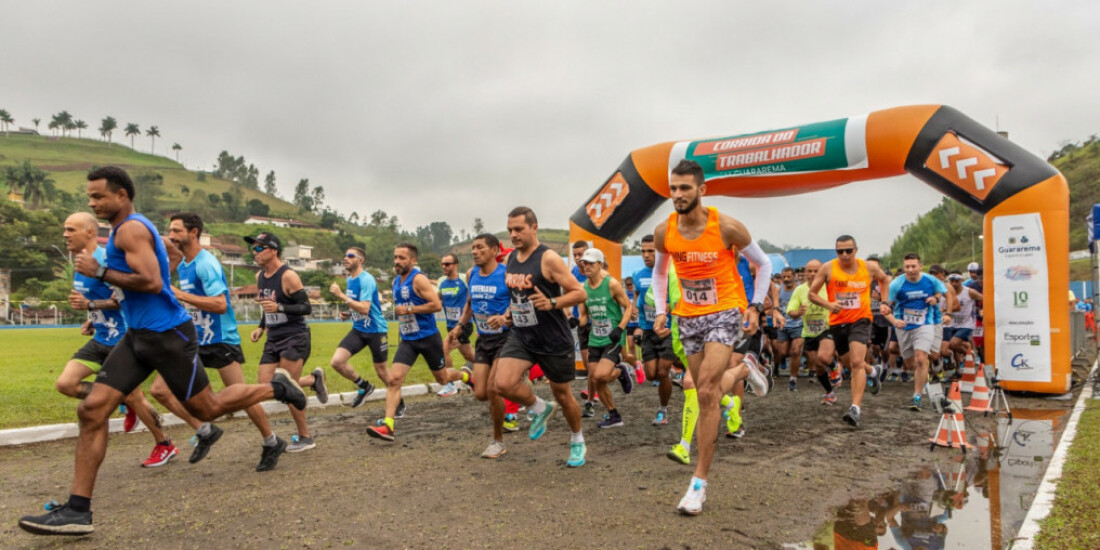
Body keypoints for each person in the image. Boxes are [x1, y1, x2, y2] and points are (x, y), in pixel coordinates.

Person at [19, 166, 305, 536]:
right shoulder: (126, 231)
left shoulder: (132, 228)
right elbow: (156, 267)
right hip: (138, 336)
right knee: (92, 409)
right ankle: (77, 510)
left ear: (122, 195)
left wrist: (100, 272)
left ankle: (279, 388)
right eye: (90, 196)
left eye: (98, 196)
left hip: (167, 335)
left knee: (210, 408)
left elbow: (152, 282)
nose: (93, 202)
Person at [651, 159, 772, 515]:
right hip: (689, 317)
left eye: (685, 188)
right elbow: (660, 275)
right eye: (673, 188)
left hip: (725, 311)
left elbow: (763, 264)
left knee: (704, 388)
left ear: (702, 190)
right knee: (707, 392)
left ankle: (698, 484)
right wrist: (661, 309)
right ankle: (744, 370)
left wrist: (756, 306)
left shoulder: (727, 227)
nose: (677, 195)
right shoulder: (664, 231)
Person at [150, 213, 286, 471]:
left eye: (176, 231)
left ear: (193, 232)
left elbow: (221, 305)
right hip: (194, 339)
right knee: (160, 390)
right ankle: (204, 430)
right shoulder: (184, 264)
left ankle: (271, 441)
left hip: (220, 339)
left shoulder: (206, 264)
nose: (171, 235)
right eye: (170, 230)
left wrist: (180, 294)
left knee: (243, 396)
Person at [58, 212, 173, 468]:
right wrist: (92, 317)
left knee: (135, 397)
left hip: (121, 340)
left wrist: (90, 304)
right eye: (64, 230)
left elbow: (123, 298)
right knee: (66, 384)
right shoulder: (79, 263)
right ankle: (118, 398)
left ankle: (164, 443)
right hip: (100, 338)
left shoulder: (105, 261)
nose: (65, 234)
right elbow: (100, 302)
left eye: (70, 229)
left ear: (89, 232)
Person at [492, 206, 588, 466]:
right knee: (502, 383)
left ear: (534, 228)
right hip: (522, 335)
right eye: (510, 229)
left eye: (519, 229)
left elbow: (579, 293)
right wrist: (506, 316)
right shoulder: (511, 259)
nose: (514, 234)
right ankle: (539, 408)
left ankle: (577, 439)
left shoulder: (549, 259)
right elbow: (518, 296)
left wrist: (553, 302)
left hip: (553, 338)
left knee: (563, 395)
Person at [367, 243, 469, 442]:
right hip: (408, 341)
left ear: (413, 260)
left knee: (442, 379)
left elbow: (436, 304)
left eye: (402, 258)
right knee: (394, 379)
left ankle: (466, 376)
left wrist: (410, 310)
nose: (397, 261)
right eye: (395, 257)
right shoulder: (396, 282)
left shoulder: (419, 279)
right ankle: (388, 425)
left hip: (428, 338)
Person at [247, 231, 321, 453]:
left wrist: (280, 308)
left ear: (273, 250)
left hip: (294, 337)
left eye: (260, 248)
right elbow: (267, 304)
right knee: (266, 386)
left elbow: (306, 308)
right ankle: (313, 380)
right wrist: (261, 326)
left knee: (287, 388)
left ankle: (306, 437)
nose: (255, 252)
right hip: (273, 338)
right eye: (254, 248)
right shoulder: (259, 276)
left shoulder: (288, 276)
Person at [808, 235, 891, 428]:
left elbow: (885, 279)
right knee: (850, 363)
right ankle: (873, 371)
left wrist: (885, 301)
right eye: (840, 251)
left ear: (856, 250)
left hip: (861, 320)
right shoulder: (828, 268)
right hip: (838, 323)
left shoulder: (868, 267)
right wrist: (828, 304)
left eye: (848, 250)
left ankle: (855, 408)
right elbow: (812, 294)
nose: (844, 255)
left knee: (855, 363)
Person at [451, 233, 513, 458]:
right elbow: (470, 303)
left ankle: (498, 441)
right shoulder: (472, 274)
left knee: (495, 388)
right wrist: (459, 326)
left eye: (480, 248)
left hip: (505, 338)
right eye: (473, 248)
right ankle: (510, 407)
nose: (474, 252)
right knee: (480, 393)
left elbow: (519, 302)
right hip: (484, 339)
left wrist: (505, 316)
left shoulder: (507, 275)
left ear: (494, 250)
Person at [577, 247, 636, 428]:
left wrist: (620, 328)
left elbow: (628, 307)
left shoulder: (611, 284)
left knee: (601, 375)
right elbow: (584, 315)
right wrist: (577, 322)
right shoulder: (582, 288)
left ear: (600, 265)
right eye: (584, 263)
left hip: (613, 336)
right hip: (595, 337)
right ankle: (614, 415)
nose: (586, 267)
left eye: (590, 264)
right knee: (595, 379)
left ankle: (620, 371)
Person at [327, 247, 389, 408]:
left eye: (350, 256)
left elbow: (365, 308)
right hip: (359, 329)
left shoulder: (366, 279)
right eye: (345, 255)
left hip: (376, 330)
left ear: (360, 260)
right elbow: (357, 307)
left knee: (382, 372)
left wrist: (341, 295)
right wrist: (348, 314)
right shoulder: (350, 280)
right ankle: (364, 386)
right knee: (337, 362)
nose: (345, 258)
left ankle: (399, 402)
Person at [882, 253, 945, 411]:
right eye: (907, 267)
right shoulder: (897, 283)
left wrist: (935, 299)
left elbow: (940, 292)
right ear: (904, 268)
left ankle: (917, 396)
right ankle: (922, 374)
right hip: (903, 326)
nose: (910, 270)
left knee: (921, 358)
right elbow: (885, 308)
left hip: (925, 324)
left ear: (920, 266)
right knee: (910, 363)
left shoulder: (930, 280)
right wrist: (894, 321)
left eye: (913, 266)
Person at [634, 234, 677, 425]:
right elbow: (638, 297)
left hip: (668, 329)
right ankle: (678, 369)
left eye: (650, 251)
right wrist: (635, 309)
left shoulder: (670, 272)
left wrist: (667, 308)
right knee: (651, 374)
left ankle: (663, 410)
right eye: (643, 251)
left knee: (661, 372)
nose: (646, 255)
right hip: (648, 330)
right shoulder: (638, 275)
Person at [786, 260, 839, 405]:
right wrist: (797, 312)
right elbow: (790, 310)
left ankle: (834, 366)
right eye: (809, 271)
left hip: (827, 328)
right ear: (805, 272)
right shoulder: (800, 290)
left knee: (824, 357)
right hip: (809, 331)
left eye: (816, 271)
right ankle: (829, 393)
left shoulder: (829, 287)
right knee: (818, 366)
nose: (812, 274)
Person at [437, 253, 475, 396]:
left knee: (443, 349)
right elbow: (438, 301)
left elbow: (471, 300)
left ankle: (450, 384)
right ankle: (487, 366)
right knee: (470, 356)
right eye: (442, 264)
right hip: (449, 324)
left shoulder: (464, 281)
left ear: (455, 265)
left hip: (464, 325)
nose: (444, 267)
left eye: (447, 264)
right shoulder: (442, 281)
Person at [774, 267, 803, 391]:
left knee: (796, 351)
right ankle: (775, 367)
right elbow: (774, 307)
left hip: (798, 324)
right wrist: (776, 316)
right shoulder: (778, 290)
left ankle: (793, 379)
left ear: (794, 276)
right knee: (782, 352)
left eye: (788, 277)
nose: (786, 279)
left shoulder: (800, 289)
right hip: (783, 325)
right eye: (784, 277)